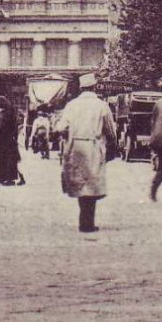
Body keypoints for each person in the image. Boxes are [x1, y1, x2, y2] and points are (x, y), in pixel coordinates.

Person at [57, 75, 117, 232]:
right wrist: (113, 145)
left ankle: (84, 221)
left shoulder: (71, 105)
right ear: (95, 87)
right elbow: (110, 129)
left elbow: (61, 128)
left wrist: (67, 136)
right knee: (91, 185)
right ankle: (87, 222)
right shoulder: (102, 106)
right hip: (93, 147)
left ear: (81, 88)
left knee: (80, 184)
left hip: (75, 147)